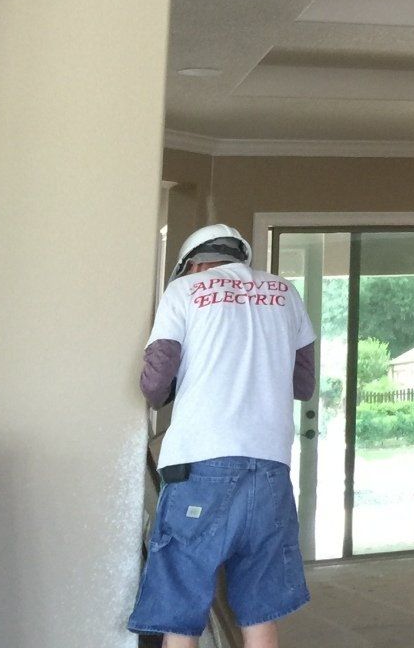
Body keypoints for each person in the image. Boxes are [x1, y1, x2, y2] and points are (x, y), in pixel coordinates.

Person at [128, 224, 317, 648]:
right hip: (270, 468)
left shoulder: (186, 291)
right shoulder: (284, 293)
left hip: (200, 466)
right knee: (259, 609)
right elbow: (303, 383)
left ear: (193, 264)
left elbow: (155, 383)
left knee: (180, 608)